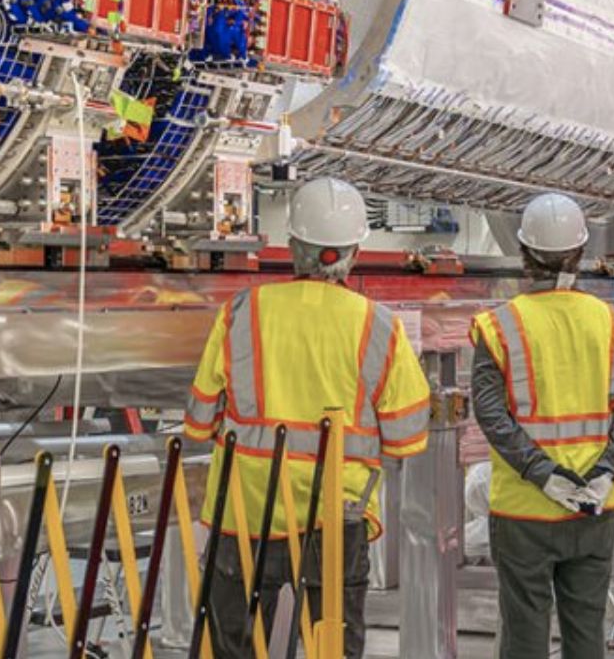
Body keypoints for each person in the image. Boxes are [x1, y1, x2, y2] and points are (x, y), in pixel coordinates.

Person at [184, 176, 433, 659]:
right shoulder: (379, 326)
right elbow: (406, 438)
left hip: (244, 512)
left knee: (233, 646)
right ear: (353, 252)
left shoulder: (241, 312)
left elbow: (198, 422)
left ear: (294, 245)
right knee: (332, 646)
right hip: (333, 519)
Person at [471, 192, 614, 659]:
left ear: (525, 254)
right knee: (586, 633)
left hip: (524, 511)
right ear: (581, 252)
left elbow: (491, 414)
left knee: (526, 636)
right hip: (596, 508)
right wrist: (606, 470)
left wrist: (543, 475)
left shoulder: (499, 326)